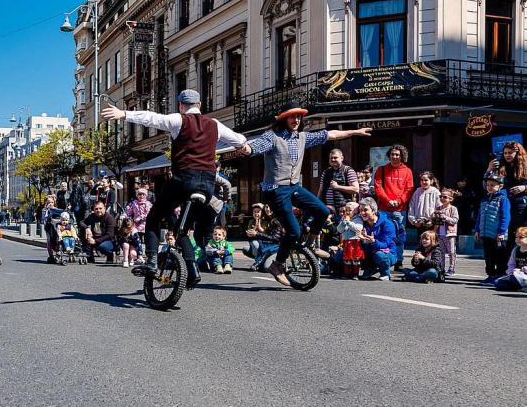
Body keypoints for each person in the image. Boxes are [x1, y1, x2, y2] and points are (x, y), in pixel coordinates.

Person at [101, 89, 249, 287]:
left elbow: (152, 118)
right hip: (207, 184)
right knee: (182, 229)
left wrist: (124, 114)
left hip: (184, 180)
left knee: (153, 217)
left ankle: (152, 261)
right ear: (200, 105)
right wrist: (245, 147)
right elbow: (238, 140)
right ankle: (192, 269)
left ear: (181, 105)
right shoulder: (214, 124)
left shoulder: (179, 120)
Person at [245, 101, 371, 286]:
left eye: (298, 116)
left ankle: (311, 242)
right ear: (283, 118)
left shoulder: (302, 137)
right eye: (292, 116)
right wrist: (245, 149)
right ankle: (277, 265)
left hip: (293, 186)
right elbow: (254, 147)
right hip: (275, 190)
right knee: (294, 231)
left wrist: (355, 132)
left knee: (322, 211)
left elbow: (331, 134)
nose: (296, 119)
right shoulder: (272, 137)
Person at [373, 145, 414, 269]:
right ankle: (381, 258)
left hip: (399, 210)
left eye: (397, 154)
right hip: (384, 208)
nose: (394, 156)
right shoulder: (382, 169)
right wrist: (388, 200)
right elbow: (378, 187)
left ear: (402, 156)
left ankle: (398, 260)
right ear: (389, 155)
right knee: (381, 235)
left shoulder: (407, 171)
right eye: (392, 154)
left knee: (399, 236)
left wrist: (398, 201)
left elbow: (409, 189)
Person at [488, 141, 527, 252]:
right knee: (505, 233)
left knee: (518, 232)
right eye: (505, 153)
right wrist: (489, 169)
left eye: (510, 153)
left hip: (521, 204)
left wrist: (524, 188)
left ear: (518, 153)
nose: (507, 155)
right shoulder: (501, 166)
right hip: (504, 203)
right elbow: (487, 186)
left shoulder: (525, 166)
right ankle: (507, 264)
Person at [475, 172, 510, 286]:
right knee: (488, 256)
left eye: (493, 185)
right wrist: (477, 230)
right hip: (486, 234)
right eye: (488, 184)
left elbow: (506, 216)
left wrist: (501, 232)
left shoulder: (503, 199)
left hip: (498, 235)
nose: (489, 187)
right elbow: (479, 216)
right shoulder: (484, 199)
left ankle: (500, 275)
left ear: (500, 186)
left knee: (499, 256)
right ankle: (490, 275)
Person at [357, 197, 397, 281]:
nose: (362, 213)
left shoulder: (387, 224)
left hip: (387, 253)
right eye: (360, 210)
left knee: (379, 255)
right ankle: (370, 268)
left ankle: (385, 273)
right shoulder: (361, 223)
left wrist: (373, 241)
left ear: (373, 210)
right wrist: (362, 241)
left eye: (365, 210)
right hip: (370, 253)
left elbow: (385, 244)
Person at [317, 149, 359, 214]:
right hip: (327, 210)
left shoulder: (348, 170)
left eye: (335, 157)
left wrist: (337, 187)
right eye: (331, 158)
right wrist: (318, 204)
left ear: (342, 158)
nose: (333, 159)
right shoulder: (325, 172)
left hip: (344, 211)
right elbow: (321, 190)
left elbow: (356, 189)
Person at [431, 189, 459, 277]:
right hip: (440, 234)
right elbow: (435, 222)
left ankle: (451, 269)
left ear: (450, 199)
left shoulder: (453, 209)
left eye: (445, 197)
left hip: (450, 234)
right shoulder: (438, 208)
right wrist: (435, 217)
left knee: (451, 252)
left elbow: (455, 220)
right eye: (441, 197)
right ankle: (441, 268)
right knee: (441, 252)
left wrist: (445, 217)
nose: (442, 198)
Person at [493, 226, 527, 292]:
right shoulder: (515, 250)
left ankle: (521, 286)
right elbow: (511, 264)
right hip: (516, 275)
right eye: (516, 237)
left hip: (524, 276)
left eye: (521, 237)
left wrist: (522, 270)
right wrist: (511, 271)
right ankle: (520, 288)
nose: (517, 239)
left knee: (515, 278)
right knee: (497, 282)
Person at [336, 201, 364, 279]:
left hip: (355, 241)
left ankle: (355, 274)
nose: (347, 212)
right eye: (346, 210)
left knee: (355, 258)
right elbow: (339, 230)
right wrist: (343, 223)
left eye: (350, 210)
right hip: (346, 241)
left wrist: (349, 223)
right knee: (347, 258)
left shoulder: (358, 219)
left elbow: (358, 229)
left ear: (355, 211)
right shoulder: (344, 218)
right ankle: (347, 273)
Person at [125, 188, 152, 257]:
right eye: (140, 194)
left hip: (146, 225)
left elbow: (148, 213)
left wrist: (140, 218)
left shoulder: (148, 204)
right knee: (136, 240)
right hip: (136, 226)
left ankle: (149, 255)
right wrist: (124, 216)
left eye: (143, 195)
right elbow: (129, 212)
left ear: (146, 196)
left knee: (148, 241)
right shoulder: (134, 203)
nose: (141, 196)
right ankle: (137, 255)